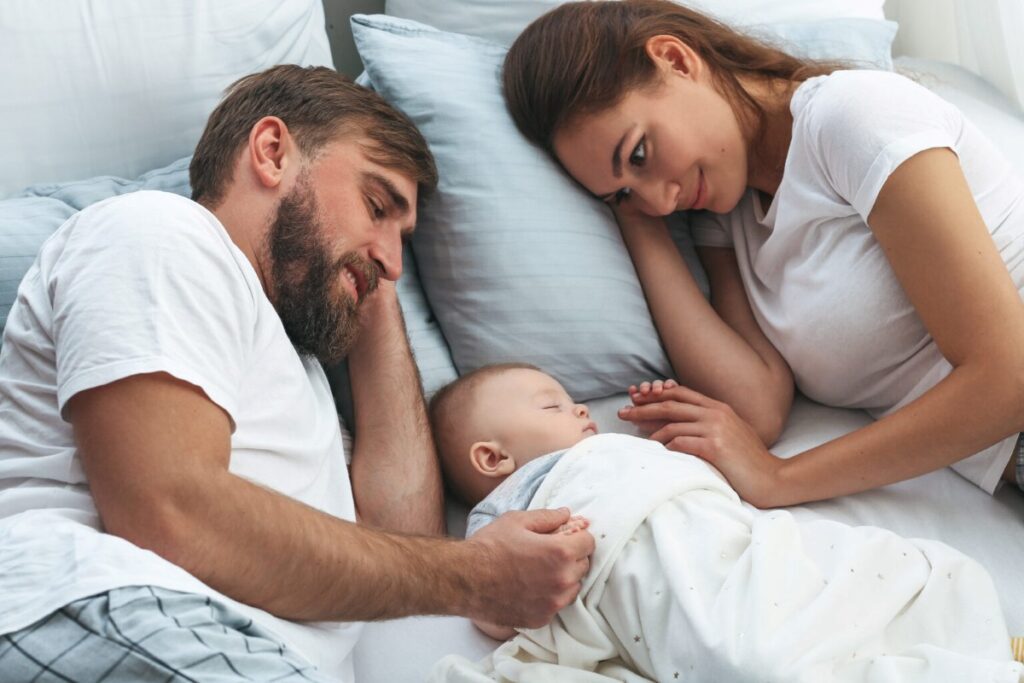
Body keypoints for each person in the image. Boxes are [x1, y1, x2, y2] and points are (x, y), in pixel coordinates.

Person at [0, 65, 593, 683]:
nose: (395, 261)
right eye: (376, 204)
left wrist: (370, 279)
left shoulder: (300, 372)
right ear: (272, 151)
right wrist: (478, 575)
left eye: (403, 238)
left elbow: (404, 535)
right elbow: (170, 513)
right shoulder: (160, 233)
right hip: (108, 605)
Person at [502, 0, 1024, 508]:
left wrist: (780, 478)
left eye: (639, 153)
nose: (659, 201)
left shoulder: (852, 117)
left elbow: (1010, 377)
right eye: (622, 193)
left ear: (676, 60)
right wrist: (636, 223)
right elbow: (755, 409)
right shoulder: (725, 219)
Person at [427, 363, 1023, 679]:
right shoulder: (504, 513)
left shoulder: (616, 454)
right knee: (750, 659)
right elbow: (494, 597)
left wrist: (665, 446)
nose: (582, 407)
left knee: (833, 585)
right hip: (646, 584)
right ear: (493, 458)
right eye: (552, 405)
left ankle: (960, 642)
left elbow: (693, 493)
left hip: (720, 544)